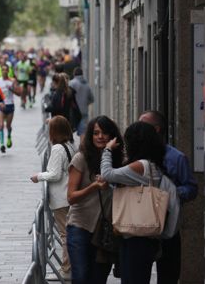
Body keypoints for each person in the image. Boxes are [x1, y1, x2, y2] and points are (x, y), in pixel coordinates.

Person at [100, 122, 180, 283]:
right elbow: (174, 205)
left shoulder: (141, 166)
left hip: (136, 238)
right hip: (142, 237)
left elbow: (107, 173)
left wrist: (107, 150)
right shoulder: (153, 166)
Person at [139, 110, 198, 283]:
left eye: (143, 126)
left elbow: (191, 188)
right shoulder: (136, 156)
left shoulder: (176, 157)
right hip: (140, 225)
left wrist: (170, 194)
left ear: (156, 129)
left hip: (168, 225)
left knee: (169, 274)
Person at [66, 116, 123, 284]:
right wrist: (94, 187)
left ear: (112, 136)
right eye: (96, 133)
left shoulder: (118, 160)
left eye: (105, 133)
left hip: (105, 230)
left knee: (99, 278)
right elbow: (71, 197)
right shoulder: (81, 159)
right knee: (81, 276)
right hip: (80, 226)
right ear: (90, 136)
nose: (100, 137)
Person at [31, 116, 76, 276]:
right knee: (69, 233)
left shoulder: (58, 149)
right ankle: (69, 267)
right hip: (69, 194)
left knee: (65, 234)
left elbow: (55, 174)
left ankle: (66, 269)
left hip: (61, 197)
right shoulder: (70, 146)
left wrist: (38, 176)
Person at [0, 64, 17, 153]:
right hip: (1, 106)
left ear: (8, 71)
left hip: (10, 105)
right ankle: (2, 144)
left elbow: (18, 92)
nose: (4, 71)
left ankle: (9, 136)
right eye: (2, 69)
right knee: (0, 125)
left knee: (8, 126)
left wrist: (12, 89)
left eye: (5, 70)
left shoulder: (12, 81)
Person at [68, 68, 94, 135]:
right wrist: (85, 103)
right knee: (83, 133)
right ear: (82, 74)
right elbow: (92, 99)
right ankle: (82, 145)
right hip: (83, 111)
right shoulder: (87, 85)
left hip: (73, 112)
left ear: (74, 74)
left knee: (70, 132)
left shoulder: (71, 83)